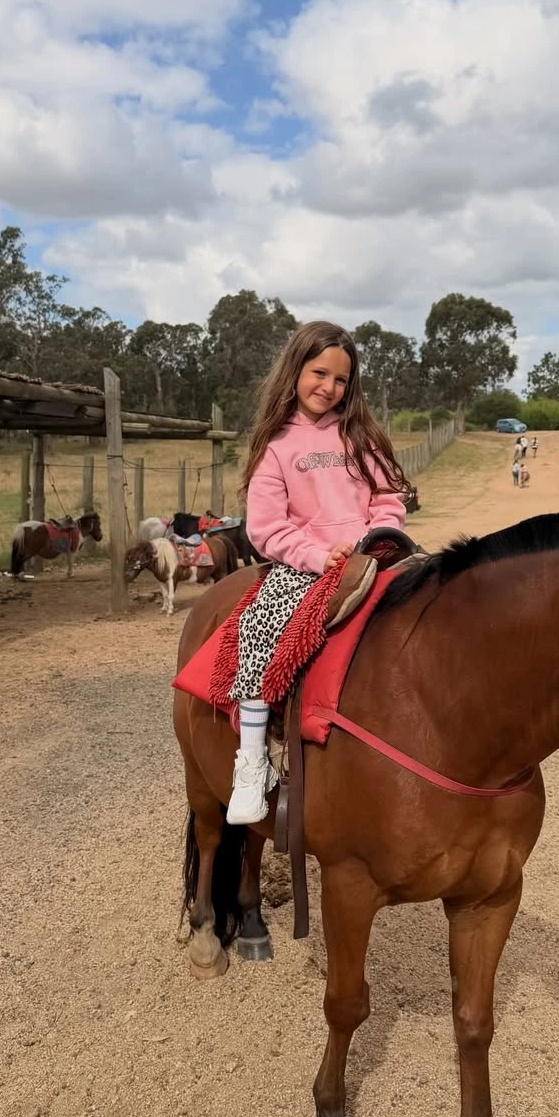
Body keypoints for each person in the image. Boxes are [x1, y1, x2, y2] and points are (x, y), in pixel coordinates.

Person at [228, 321, 409, 824]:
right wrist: (317, 554)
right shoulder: (277, 445)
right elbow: (266, 528)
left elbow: (388, 498)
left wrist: (379, 536)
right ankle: (251, 760)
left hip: (374, 556)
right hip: (308, 565)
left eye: (341, 380)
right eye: (319, 373)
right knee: (257, 626)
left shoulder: (361, 436)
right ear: (296, 370)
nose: (328, 387)